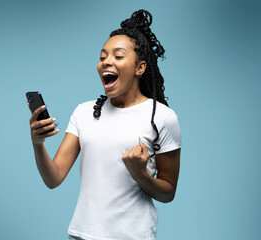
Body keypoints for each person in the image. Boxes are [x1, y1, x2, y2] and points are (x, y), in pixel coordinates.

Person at [28, 9, 181, 240]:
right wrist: (38, 143)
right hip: (79, 235)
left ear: (140, 68)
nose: (106, 62)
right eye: (102, 57)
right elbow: (54, 178)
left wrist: (140, 174)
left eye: (118, 56)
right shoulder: (84, 112)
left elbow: (168, 192)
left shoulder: (162, 117)